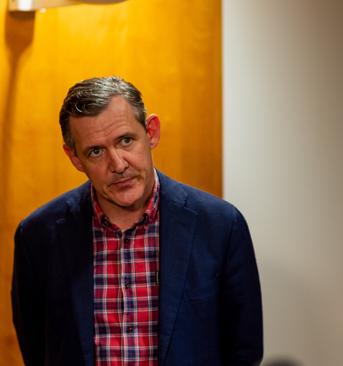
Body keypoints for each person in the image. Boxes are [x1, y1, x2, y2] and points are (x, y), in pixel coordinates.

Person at [11, 76, 264, 365]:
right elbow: (37, 349)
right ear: (75, 158)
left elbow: (244, 349)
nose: (118, 165)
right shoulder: (38, 236)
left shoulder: (221, 226)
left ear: (151, 132)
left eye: (126, 140)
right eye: (96, 151)